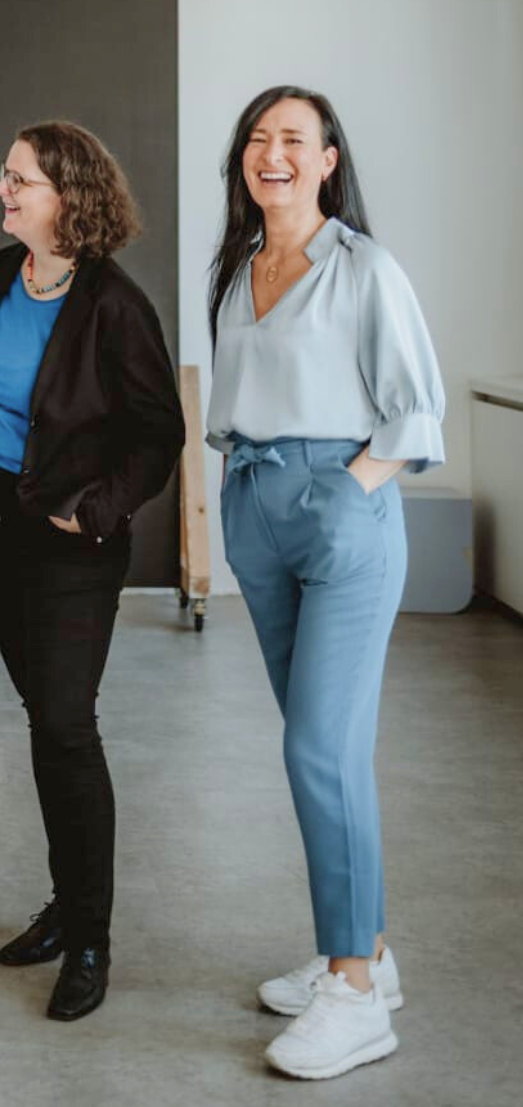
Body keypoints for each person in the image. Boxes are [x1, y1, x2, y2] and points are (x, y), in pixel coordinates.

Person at [206, 85, 445, 1080]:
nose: (274, 154)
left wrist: (348, 493)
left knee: (320, 751)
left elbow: (416, 409)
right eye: (259, 139)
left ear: (329, 160)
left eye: (295, 140)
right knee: (323, 751)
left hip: (341, 508)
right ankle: (368, 952)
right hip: (257, 511)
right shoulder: (241, 267)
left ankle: (353, 993)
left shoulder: (363, 268)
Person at [0, 121, 185, 1021]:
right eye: (4, 176)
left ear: (68, 197)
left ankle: (90, 938)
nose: (1, 191)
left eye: (19, 181)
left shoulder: (115, 304)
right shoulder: (2, 274)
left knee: (66, 725)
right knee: (46, 724)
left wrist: (94, 509)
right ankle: (66, 902)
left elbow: (159, 433)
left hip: (70, 544)